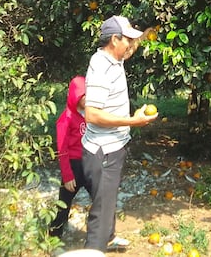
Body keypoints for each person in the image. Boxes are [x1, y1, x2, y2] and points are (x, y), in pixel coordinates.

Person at [82, 15, 158, 252]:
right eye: (126, 40)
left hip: (112, 148)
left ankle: (109, 237)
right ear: (114, 40)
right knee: (101, 211)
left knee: (108, 199)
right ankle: (95, 247)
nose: (130, 45)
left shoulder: (114, 58)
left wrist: (147, 32)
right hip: (103, 152)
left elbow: (131, 48)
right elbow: (92, 115)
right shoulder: (102, 67)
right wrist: (132, 121)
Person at [48, 75, 89, 239]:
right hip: (74, 165)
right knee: (63, 205)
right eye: (83, 95)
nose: (87, 99)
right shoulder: (66, 119)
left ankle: (106, 234)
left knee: (102, 198)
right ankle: (54, 236)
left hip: (90, 163)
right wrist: (67, 175)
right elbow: (62, 148)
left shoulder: (91, 114)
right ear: (75, 97)